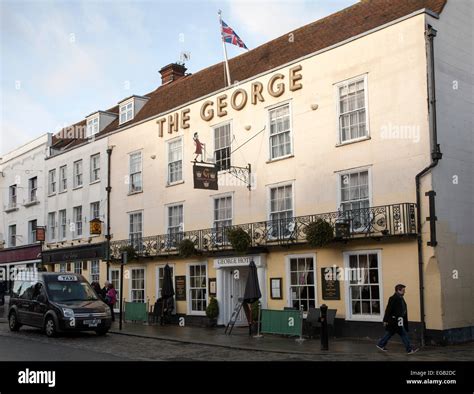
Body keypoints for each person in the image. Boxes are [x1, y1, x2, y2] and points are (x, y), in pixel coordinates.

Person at [377, 284, 419, 354]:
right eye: (403, 290)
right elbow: (388, 310)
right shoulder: (393, 298)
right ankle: (409, 349)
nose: (404, 292)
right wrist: (385, 320)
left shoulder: (400, 298)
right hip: (394, 320)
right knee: (403, 334)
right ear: (398, 290)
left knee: (390, 333)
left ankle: (380, 344)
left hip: (399, 320)